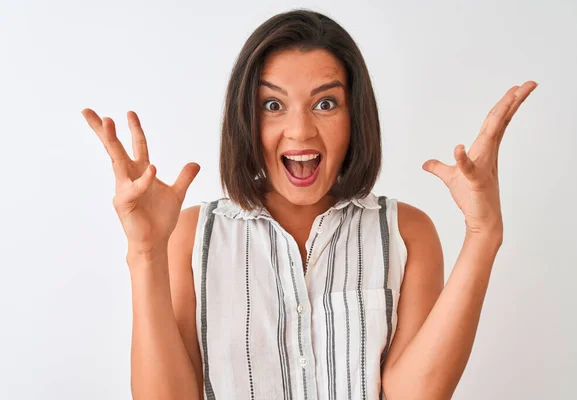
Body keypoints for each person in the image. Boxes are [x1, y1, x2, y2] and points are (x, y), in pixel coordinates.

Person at [81, 9, 536, 400]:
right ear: (247, 118)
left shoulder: (405, 232)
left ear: (355, 114)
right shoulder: (190, 235)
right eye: (273, 105)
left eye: (325, 103)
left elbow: (415, 394)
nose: (300, 131)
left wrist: (483, 234)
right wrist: (144, 253)